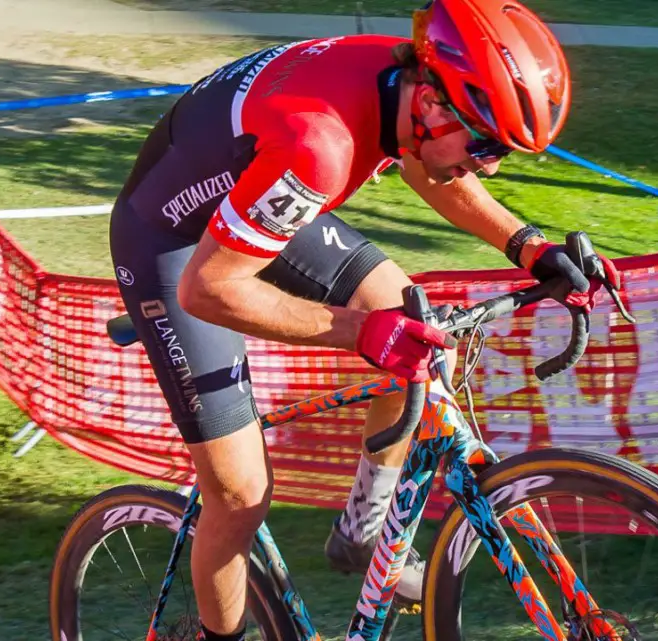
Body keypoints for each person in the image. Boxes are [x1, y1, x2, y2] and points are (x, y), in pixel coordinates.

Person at [108, 1, 621, 639]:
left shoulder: (400, 84)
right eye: (486, 144)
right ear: (432, 104)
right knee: (239, 494)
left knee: (410, 319)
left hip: (261, 185)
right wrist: (361, 333)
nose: (489, 165)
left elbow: (428, 161)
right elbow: (208, 289)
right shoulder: (320, 143)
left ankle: (363, 532)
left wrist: (529, 247)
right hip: (172, 244)